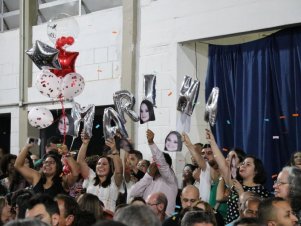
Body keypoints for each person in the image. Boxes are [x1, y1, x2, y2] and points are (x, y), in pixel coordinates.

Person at [205, 129, 269, 224]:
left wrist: (241, 192)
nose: (243, 166)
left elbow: (255, 214)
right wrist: (212, 142)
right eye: (242, 163)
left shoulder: (260, 191)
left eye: (248, 164)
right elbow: (223, 165)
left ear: (256, 171)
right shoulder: (236, 183)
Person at [130, 129, 178, 216]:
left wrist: (151, 143)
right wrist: (148, 176)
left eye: (154, 162)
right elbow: (133, 193)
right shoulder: (148, 179)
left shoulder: (170, 179)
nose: (152, 164)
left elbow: (161, 162)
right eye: (152, 162)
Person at [77, 133, 123, 212]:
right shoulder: (91, 177)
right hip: (89, 218)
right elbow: (80, 162)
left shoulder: (114, 181)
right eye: (98, 164)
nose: (101, 166)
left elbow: (119, 171)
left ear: (110, 168)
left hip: (107, 219)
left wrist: (114, 149)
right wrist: (85, 143)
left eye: (104, 164)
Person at [14, 143, 79, 197]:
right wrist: (26, 148)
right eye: (46, 162)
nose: (48, 164)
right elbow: (18, 165)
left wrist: (66, 153)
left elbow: (75, 173)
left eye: (52, 162)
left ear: (58, 167)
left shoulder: (63, 180)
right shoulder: (36, 177)